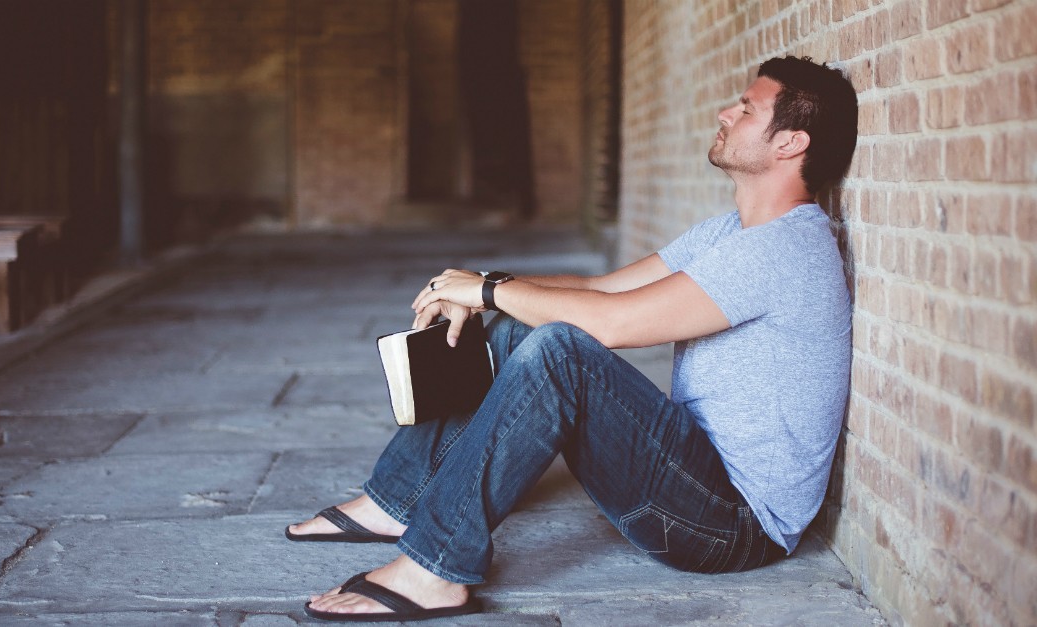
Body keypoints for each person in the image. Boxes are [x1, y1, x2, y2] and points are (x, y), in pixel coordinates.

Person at [287, 55, 859, 622]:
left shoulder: (784, 249)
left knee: (559, 351)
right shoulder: (729, 232)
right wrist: (483, 288)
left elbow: (613, 325)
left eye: (745, 107)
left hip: (730, 526)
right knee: (522, 324)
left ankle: (434, 567)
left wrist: (485, 290)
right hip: (692, 474)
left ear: (790, 143)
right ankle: (396, 502)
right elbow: (598, 288)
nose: (724, 112)